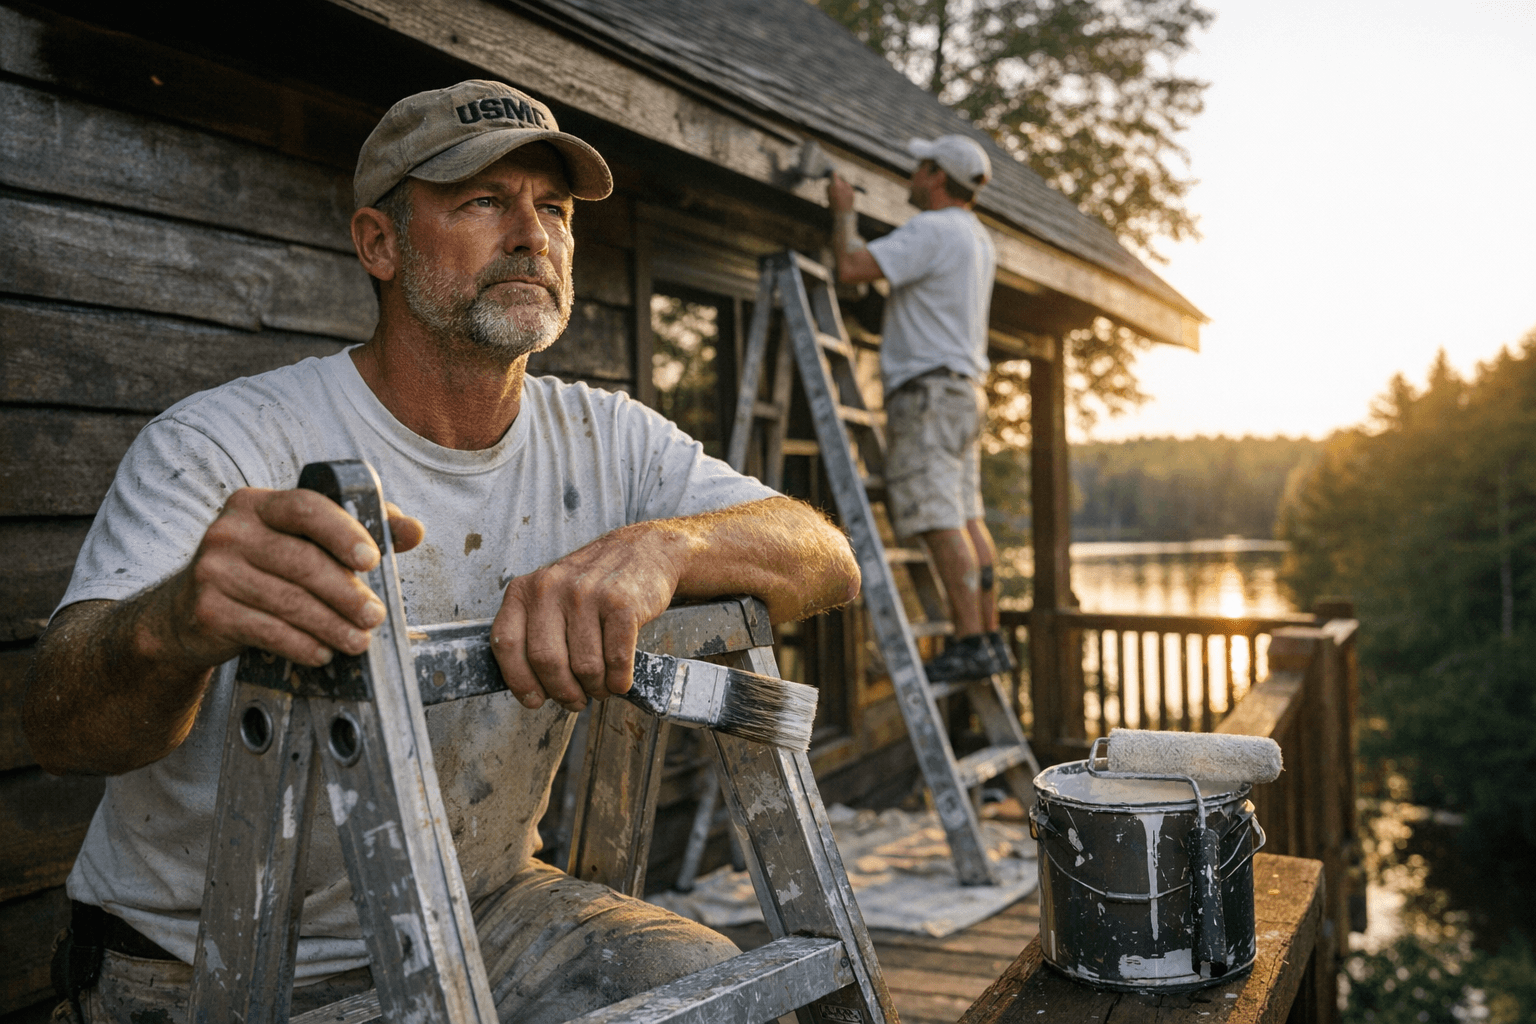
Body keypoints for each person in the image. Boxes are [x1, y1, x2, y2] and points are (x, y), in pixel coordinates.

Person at [24, 79, 861, 1024]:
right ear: (378, 244)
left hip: (485, 911)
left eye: (552, 208)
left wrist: (661, 546)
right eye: (481, 201)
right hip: (197, 962)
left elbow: (826, 555)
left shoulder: (608, 437)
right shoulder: (224, 443)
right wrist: (173, 625)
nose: (531, 234)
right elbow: (61, 729)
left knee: (723, 1001)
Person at [827, 135, 1012, 682]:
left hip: (928, 397)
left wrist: (844, 213)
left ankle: (970, 642)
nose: (911, 175)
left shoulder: (932, 230)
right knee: (968, 520)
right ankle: (990, 637)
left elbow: (851, 267)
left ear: (934, 175)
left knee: (937, 522)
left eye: (918, 167)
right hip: (962, 393)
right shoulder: (977, 239)